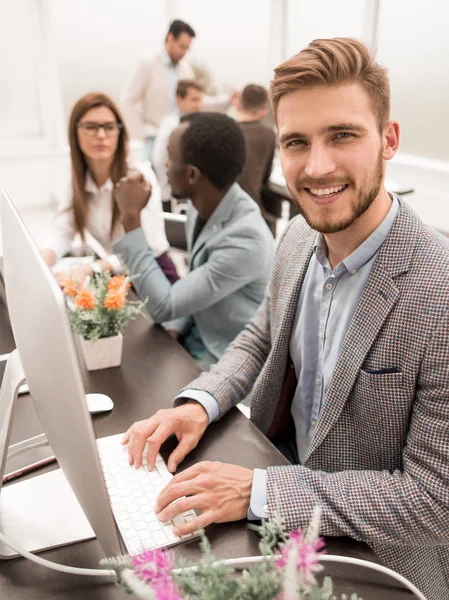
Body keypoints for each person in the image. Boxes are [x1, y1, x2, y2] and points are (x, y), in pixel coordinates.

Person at [121, 38, 449, 599]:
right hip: (273, 513)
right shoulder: (298, 235)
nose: (317, 167)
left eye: (342, 135)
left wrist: (260, 492)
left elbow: (431, 500)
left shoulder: (437, 291)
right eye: (297, 142)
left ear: (388, 140)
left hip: (377, 565)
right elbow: (261, 336)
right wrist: (201, 402)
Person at [112, 112, 275, 370]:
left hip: (227, 358)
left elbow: (165, 305)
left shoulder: (246, 238)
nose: (165, 164)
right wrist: (176, 328)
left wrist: (131, 217)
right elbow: (194, 284)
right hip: (195, 335)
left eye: (170, 156)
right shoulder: (203, 206)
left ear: (191, 175)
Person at [41, 92, 179, 285]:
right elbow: (64, 228)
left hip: (154, 276)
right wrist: (44, 259)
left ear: (119, 132)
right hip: (116, 277)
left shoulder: (138, 177)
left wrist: (90, 269)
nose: (101, 135)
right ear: (75, 132)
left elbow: (147, 247)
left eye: (109, 127)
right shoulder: (75, 179)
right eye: (90, 127)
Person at [122, 20, 196, 159]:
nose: (184, 53)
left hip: (178, 140)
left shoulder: (186, 71)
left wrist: (227, 101)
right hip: (151, 139)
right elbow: (128, 101)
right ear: (169, 38)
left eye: (187, 49)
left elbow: (196, 101)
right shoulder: (147, 64)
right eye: (182, 47)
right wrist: (140, 136)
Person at [152, 79, 204, 207]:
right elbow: (158, 159)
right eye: (193, 100)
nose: (198, 105)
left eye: (199, 100)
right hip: (171, 196)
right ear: (179, 99)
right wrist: (167, 187)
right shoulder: (170, 126)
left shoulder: (198, 124)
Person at [234, 84, 276, 233]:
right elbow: (265, 177)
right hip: (253, 210)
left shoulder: (226, 130)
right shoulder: (268, 134)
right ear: (263, 112)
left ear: (238, 105)